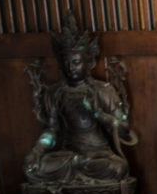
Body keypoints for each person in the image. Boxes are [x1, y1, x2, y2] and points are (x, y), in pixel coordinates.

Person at [24, 11, 137, 185]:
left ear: (88, 62)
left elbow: (124, 128)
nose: (71, 67)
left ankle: (80, 164)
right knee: (36, 168)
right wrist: (37, 151)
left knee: (118, 167)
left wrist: (98, 114)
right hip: (67, 156)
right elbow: (52, 130)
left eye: (76, 62)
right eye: (67, 62)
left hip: (98, 154)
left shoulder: (103, 90)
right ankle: (78, 163)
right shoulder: (55, 93)